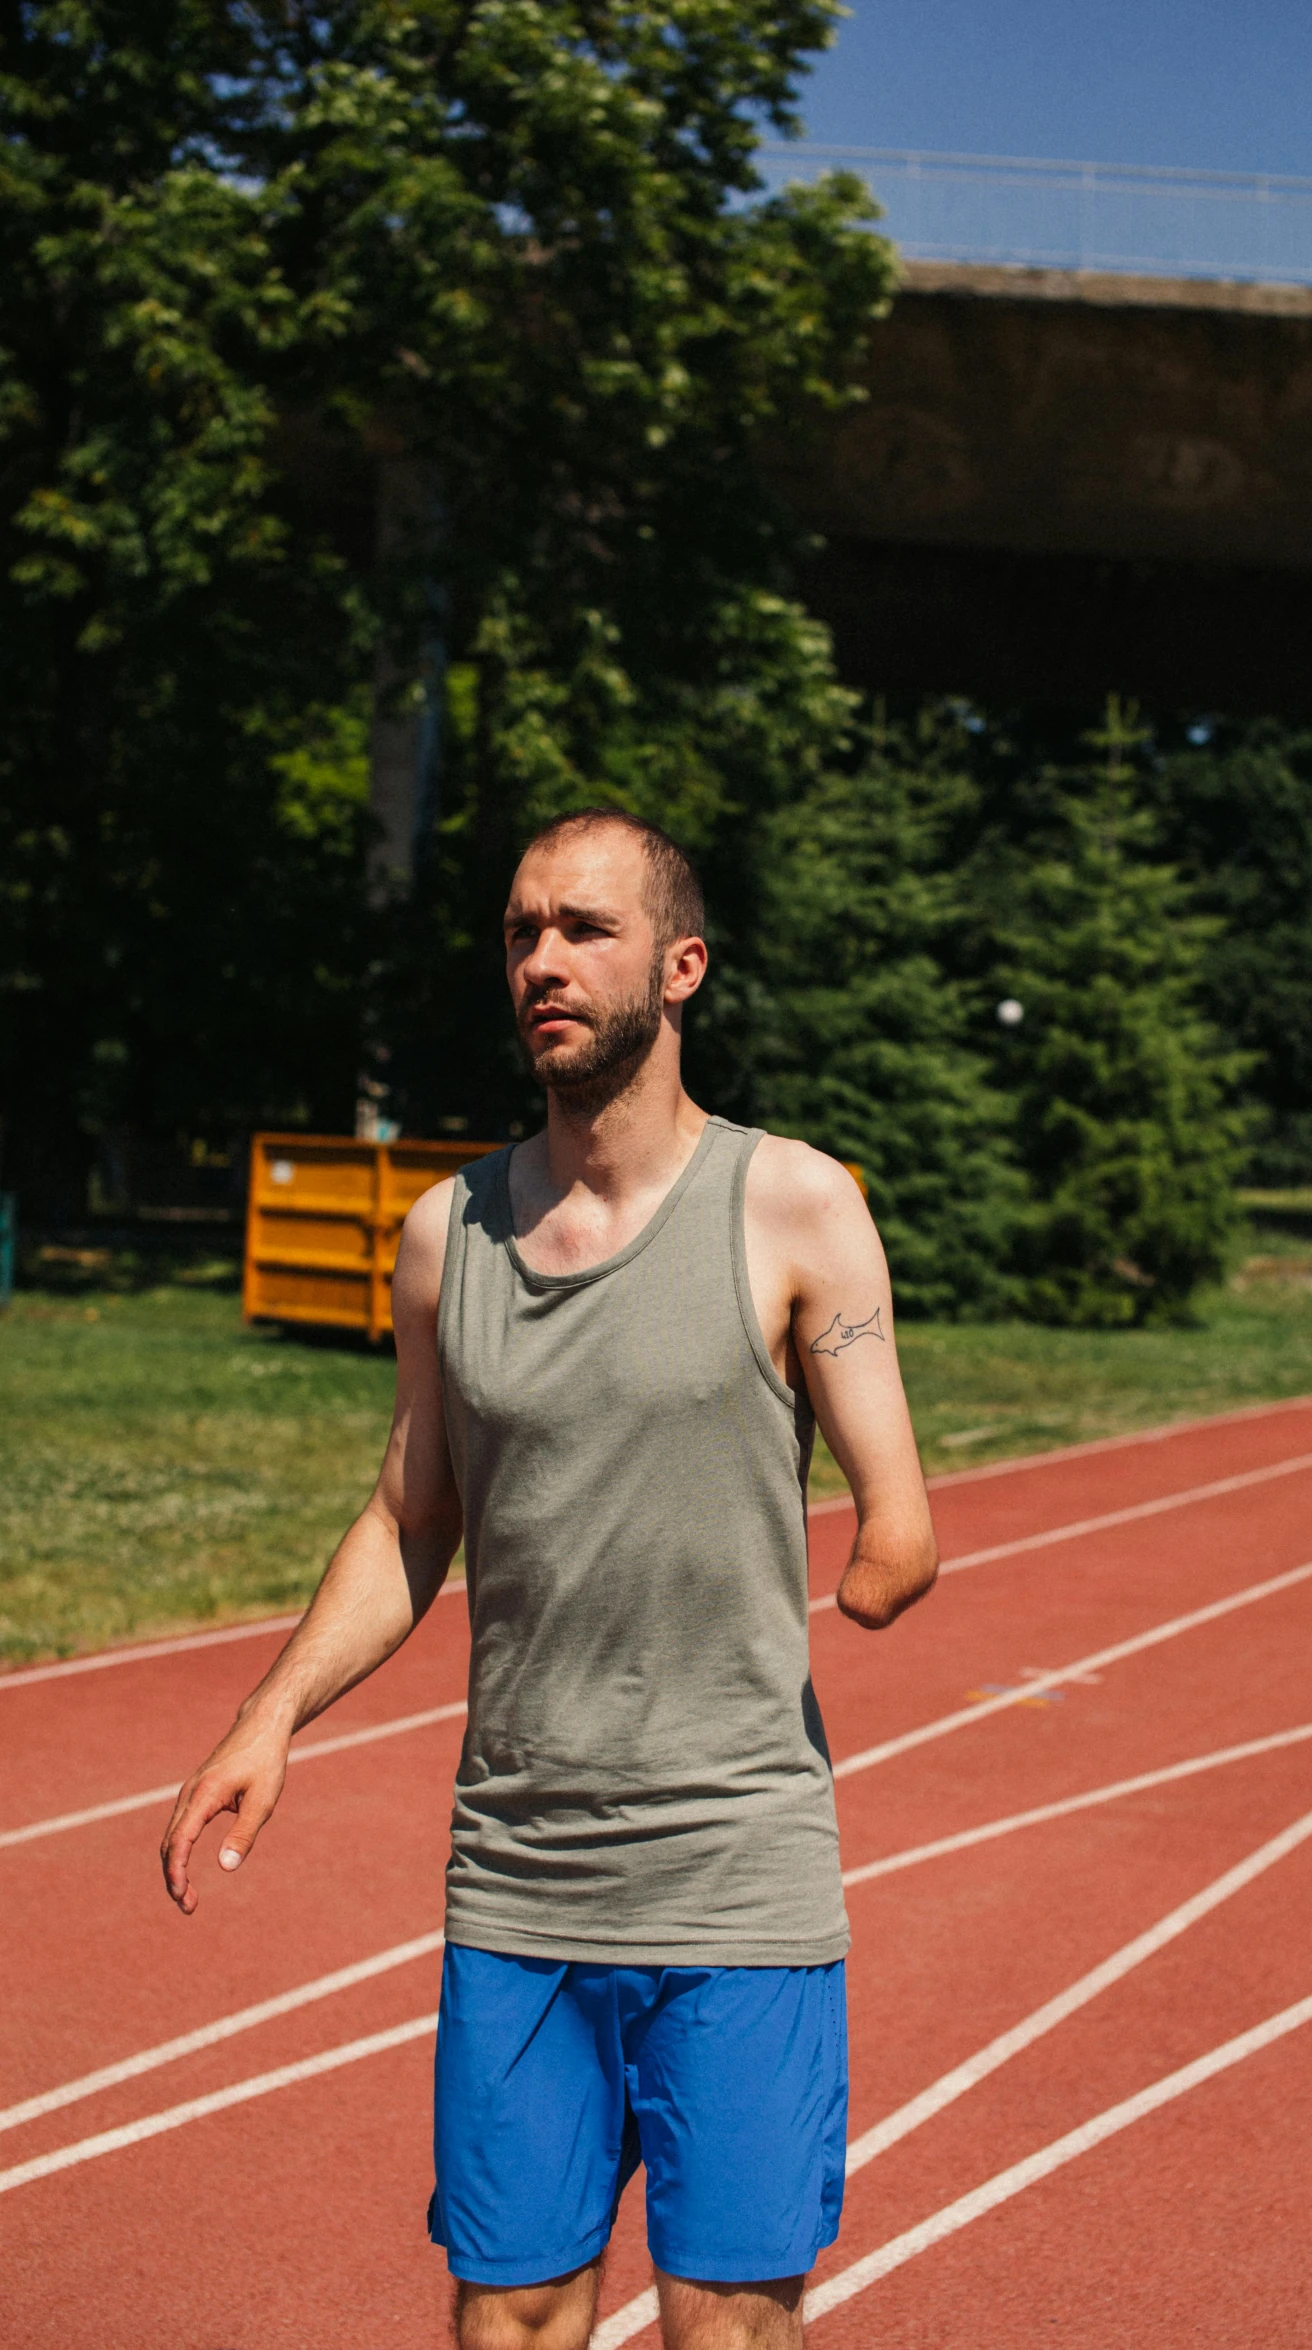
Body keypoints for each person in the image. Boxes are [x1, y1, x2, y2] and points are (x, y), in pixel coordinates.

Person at [161, 808, 937, 2348]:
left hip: (736, 1871)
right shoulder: (446, 1234)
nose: (542, 960)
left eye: (583, 928)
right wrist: (270, 1714)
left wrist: (873, 1572)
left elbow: (898, 1515)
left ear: (682, 964)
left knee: (726, 2316)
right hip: (517, 1873)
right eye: (522, 931)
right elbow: (407, 1515)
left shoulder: (791, 1203)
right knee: (507, 2311)